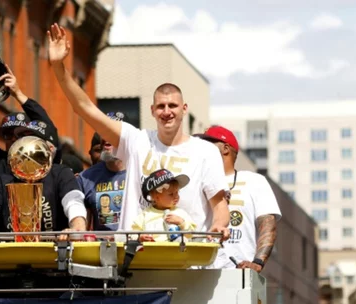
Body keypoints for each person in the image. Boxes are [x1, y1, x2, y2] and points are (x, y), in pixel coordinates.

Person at [47, 23, 230, 242]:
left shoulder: (205, 151)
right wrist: (58, 67)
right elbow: (85, 108)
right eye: (161, 106)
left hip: (188, 265)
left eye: (173, 106)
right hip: (137, 263)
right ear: (152, 110)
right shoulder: (136, 141)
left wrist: (219, 226)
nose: (167, 112)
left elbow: (219, 205)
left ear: (184, 109)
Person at [0, 121, 87, 238]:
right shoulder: (6, 179)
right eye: (21, 139)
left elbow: (73, 201)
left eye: (31, 140)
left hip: (53, 251)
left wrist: (77, 226)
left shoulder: (61, 174)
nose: (24, 145)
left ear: (48, 148)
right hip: (15, 251)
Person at [195, 126, 280, 271]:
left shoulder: (254, 181)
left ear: (226, 149)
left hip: (237, 272)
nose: (202, 148)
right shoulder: (195, 181)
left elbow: (268, 224)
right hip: (196, 273)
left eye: (208, 143)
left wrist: (258, 262)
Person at [0, 60, 57, 183]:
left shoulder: (46, 163)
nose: (14, 139)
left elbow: (48, 130)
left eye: (21, 134)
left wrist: (18, 94)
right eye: (8, 135)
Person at [77, 111, 128, 231]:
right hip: (104, 248)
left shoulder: (143, 170)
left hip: (139, 247)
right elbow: (82, 228)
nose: (106, 137)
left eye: (112, 131)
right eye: (103, 130)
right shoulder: (85, 178)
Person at [131, 169, 196, 242]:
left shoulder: (180, 213)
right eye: (171, 194)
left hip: (176, 251)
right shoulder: (145, 215)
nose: (176, 196)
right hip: (152, 252)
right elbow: (132, 234)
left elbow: (192, 233)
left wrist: (182, 223)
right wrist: (140, 237)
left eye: (177, 192)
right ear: (155, 197)